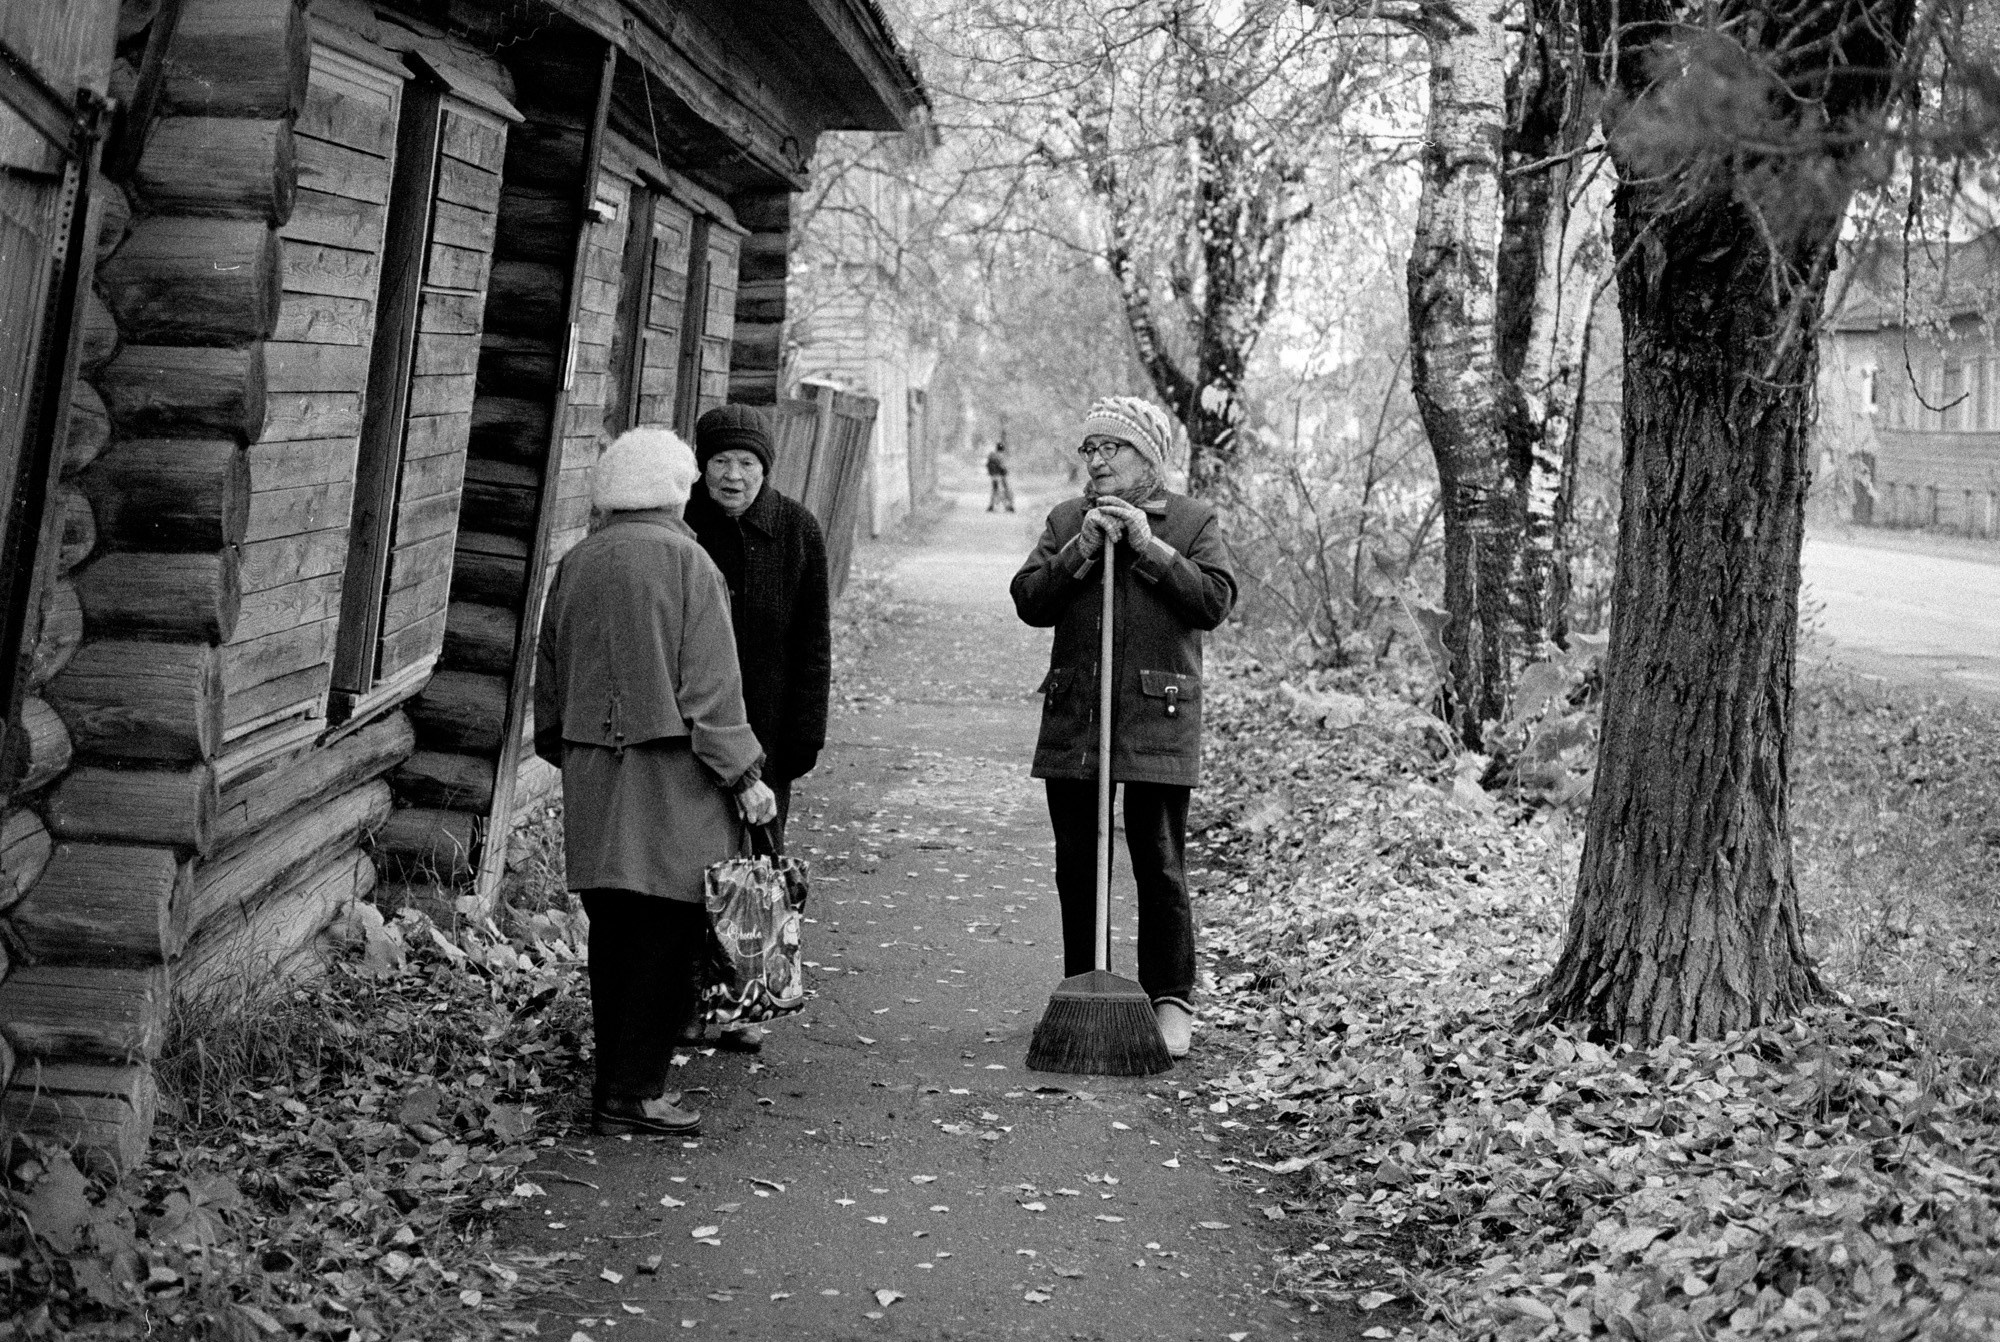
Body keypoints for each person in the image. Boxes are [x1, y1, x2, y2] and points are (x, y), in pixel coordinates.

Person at [534, 426, 778, 1137]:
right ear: (676, 489)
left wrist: (571, 749)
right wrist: (745, 775)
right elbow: (710, 690)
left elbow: (549, 675)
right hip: (674, 780)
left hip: (593, 774)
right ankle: (636, 1094)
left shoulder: (576, 563)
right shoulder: (689, 562)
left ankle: (615, 1089)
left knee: (612, 936)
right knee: (667, 937)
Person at [1009, 397, 1236, 1059]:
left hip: (1158, 716)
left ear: (1149, 456)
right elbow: (1029, 601)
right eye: (1091, 448)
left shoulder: (1191, 520)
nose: (1098, 460)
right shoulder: (1066, 520)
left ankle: (1171, 999)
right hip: (1077, 717)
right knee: (1079, 862)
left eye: (1113, 448)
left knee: (1159, 862)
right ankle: (1085, 991)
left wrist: (1148, 546)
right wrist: (1079, 551)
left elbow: (1214, 600)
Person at [682, 404, 831, 842]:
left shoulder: (797, 529)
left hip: (770, 732)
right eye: (720, 461)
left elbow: (813, 643)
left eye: (747, 463)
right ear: (702, 465)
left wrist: (806, 735)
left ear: (764, 468)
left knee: (760, 861)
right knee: (692, 854)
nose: (734, 476)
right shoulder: (682, 525)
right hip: (692, 731)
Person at [986, 440, 1015, 512]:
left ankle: (992, 505)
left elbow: (988, 465)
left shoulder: (992, 455)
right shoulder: (1001, 456)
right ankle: (1008, 506)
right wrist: (1004, 472)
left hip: (994, 476)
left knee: (995, 490)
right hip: (1001, 476)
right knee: (1005, 490)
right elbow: (1003, 467)